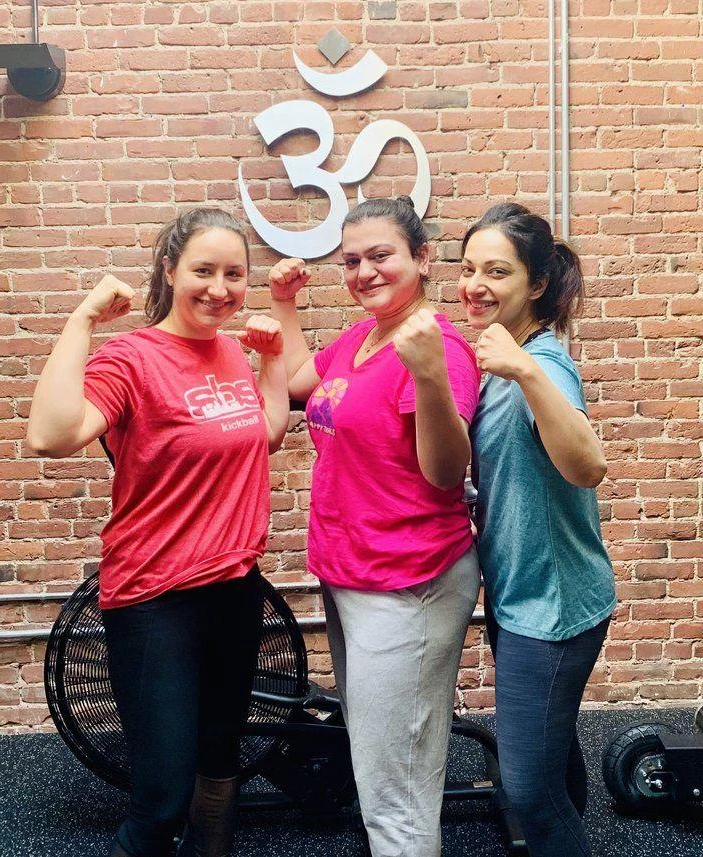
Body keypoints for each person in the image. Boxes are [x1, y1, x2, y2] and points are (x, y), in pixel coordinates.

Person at [27, 208, 289, 857]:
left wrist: (273, 359)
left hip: (235, 588)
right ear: (170, 270)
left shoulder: (231, 350)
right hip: (154, 599)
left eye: (234, 273)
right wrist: (82, 321)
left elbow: (267, 431)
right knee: (164, 793)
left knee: (221, 762)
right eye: (203, 270)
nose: (219, 287)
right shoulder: (131, 357)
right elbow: (50, 435)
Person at [268, 196, 481, 857]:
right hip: (352, 572)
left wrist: (428, 377)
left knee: (397, 794)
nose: (364, 271)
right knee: (377, 759)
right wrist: (284, 304)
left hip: (407, 582)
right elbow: (301, 381)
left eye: (381, 255)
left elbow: (447, 473)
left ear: (421, 257)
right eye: (351, 260)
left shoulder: (435, 348)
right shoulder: (362, 337)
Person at [460, 202, 617, 857]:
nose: (475, 284)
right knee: (551, 769)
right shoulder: (503, 355)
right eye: (468, 268)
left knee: (529, 793)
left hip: (551, 613)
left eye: (496, 270)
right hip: (523, 595)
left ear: (536, 284)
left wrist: (524, 372)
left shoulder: (540, 363)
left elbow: (589, 465)